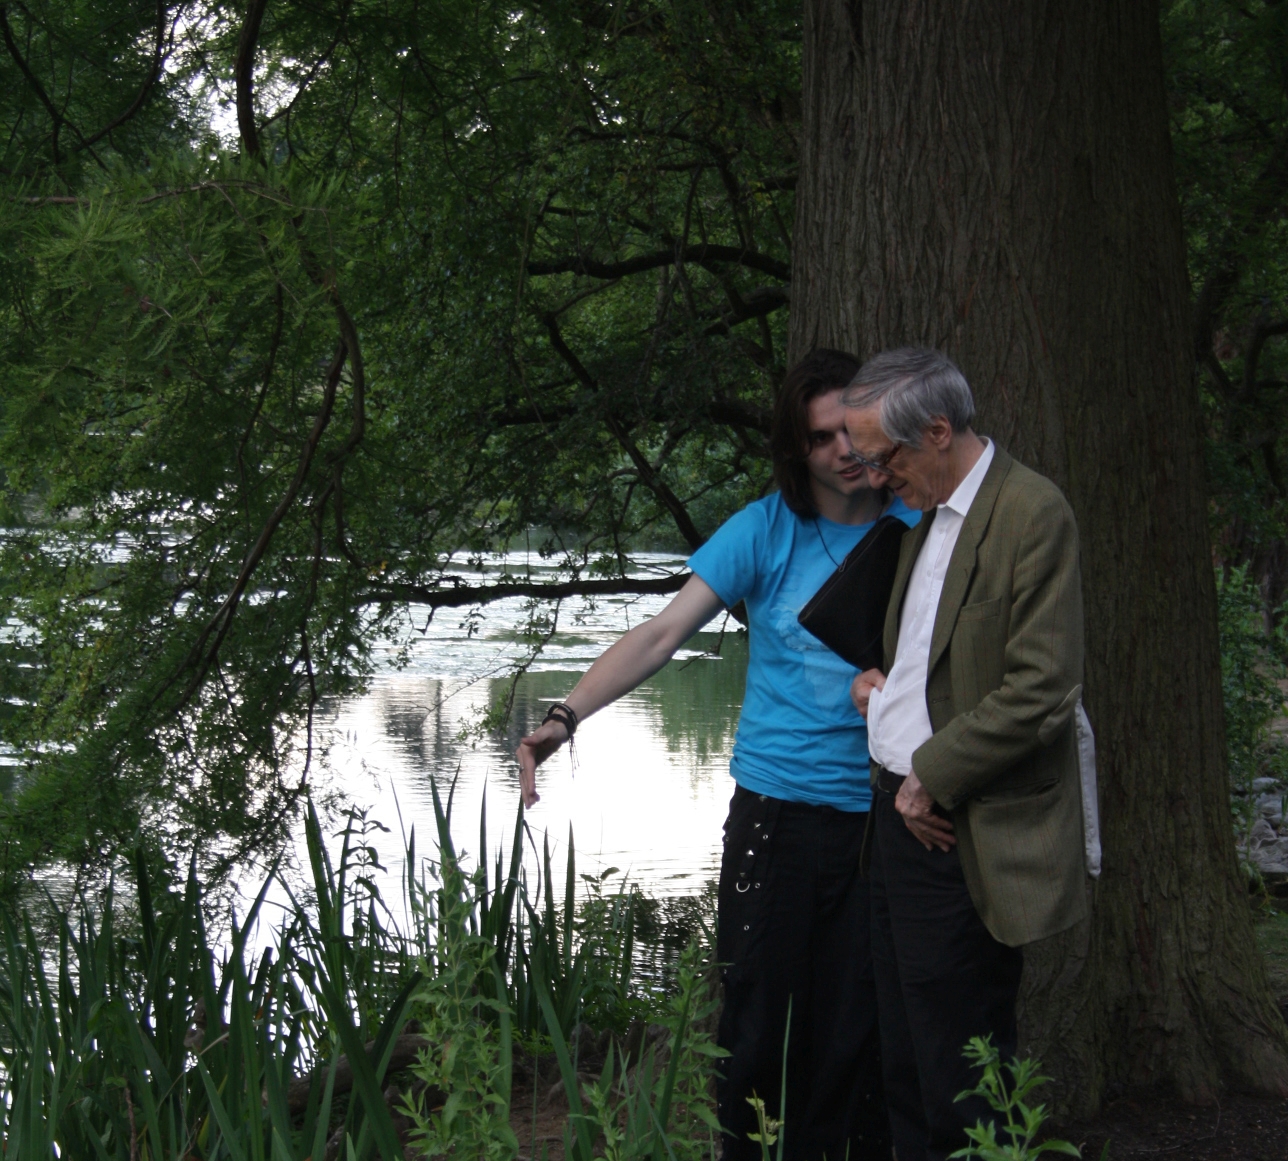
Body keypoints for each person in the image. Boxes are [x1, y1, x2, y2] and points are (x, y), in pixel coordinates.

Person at [516, 349, 918, 1161]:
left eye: (853, 428)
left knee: (858, 1031)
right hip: (778, 818)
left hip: (886, 818)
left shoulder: (918, 528)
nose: (845, 448)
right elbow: (663, 634)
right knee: (757, 1025)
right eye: (822, 436)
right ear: (796, 450)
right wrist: (566, 715)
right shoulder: (766, 528)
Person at [844, 347, 1088, 1161]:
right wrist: (887, 687)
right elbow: (942, 656)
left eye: (884, 458)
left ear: (939, 431)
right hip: (895, 815)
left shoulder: (1031, 512)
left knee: (961, 1064)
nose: (876, 478)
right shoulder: (928, 519)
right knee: (905, 1055)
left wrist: (931, 776)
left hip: (954, 824)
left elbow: (1042, 688)